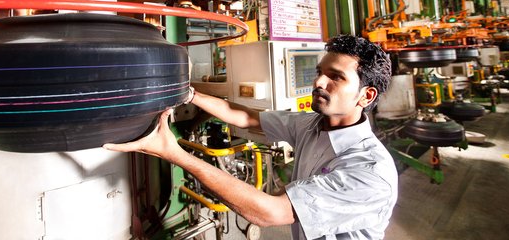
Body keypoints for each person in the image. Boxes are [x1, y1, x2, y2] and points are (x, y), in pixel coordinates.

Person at [104, 34, 398, 239]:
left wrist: (174, 153)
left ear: (366, 95)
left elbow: (271, 213)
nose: (319, 81)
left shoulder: (370, 173)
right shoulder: (312, 125)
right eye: (320, 72)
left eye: (336, 77)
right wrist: (189, 94)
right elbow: (246, 117)